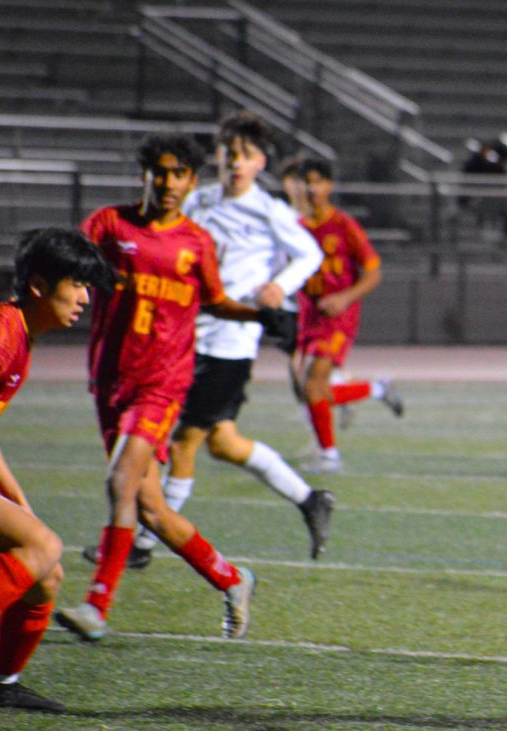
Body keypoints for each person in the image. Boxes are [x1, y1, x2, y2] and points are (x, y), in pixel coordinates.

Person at [59, 133, 288, 643]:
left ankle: (97, 605)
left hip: (162, 384)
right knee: (151, 509)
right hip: (110, 382)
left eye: (179, 174)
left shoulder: (196, 242)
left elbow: (215, 300)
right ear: (145, 174)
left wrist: (263, 317)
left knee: (120, 482)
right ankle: (232, 579)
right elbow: (68, 268)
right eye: (160, 172)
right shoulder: (108, 225)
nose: (168, 183)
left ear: (191, 181)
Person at [0, 228, 113, 712]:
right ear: (38, 285)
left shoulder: (15, 333)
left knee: (43, 573)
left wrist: (16, 500)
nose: (85, 298)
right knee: (43, 546)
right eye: (77, 285)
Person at [157, 110, 334, 563]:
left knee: (183, 443)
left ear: (261, 163)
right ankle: (310, 499)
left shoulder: (268, 210)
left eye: (246, 156)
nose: (235, 163)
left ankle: (143, 542)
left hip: (230, 344)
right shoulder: (199, 201)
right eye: (229, 153)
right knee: (224, 443)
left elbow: (309, 254)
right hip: (190, 335)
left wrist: (280, 286)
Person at [295, 157, 404, 474]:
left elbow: (373, 272)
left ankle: (330, 456)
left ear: (329, 186)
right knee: (314, 391)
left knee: (313, 385)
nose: (312, 188)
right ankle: (377, 389)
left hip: (339, 318)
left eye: (317, 181)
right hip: (311, 318)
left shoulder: (344, 226)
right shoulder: (297, 229)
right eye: (306, 182)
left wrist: (345, 297)